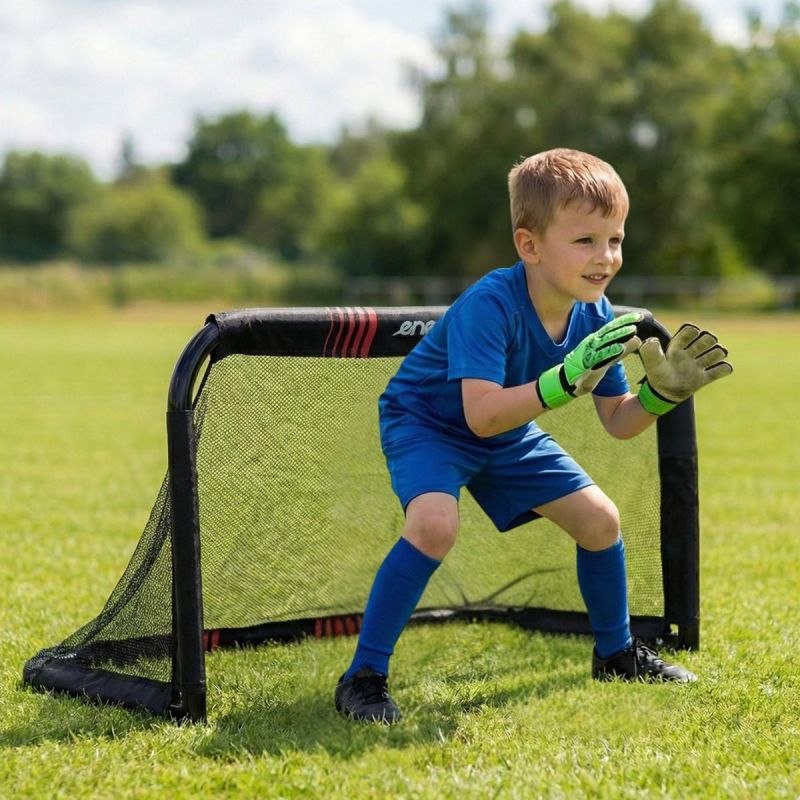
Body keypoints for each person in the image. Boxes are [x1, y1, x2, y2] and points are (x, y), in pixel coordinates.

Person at [334, 147, 733, 724]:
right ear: (529, 245)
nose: (606, 258)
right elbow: (478, 416)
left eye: (615, 239)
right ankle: (363, 677)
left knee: (601, 522)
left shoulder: (596, 314)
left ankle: (615, 653)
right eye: (585, 242)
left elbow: (619, 421)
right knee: (434, 525)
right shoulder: (489, 304)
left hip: (507, 425)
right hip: (430, 423)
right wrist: (563, 380)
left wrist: (661, 395)